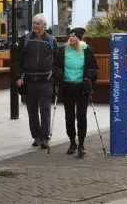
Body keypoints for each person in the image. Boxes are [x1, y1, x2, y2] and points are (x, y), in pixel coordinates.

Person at [15, 13, 60, 149]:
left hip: (46, 81)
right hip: (29, 81)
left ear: (44, 25)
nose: (35, 25)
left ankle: (45, 137)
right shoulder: (25, 39)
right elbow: (18, 60)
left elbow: (57, 61)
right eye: (34, 23)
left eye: (38, 23)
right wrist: (18, 77)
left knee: (45, 109)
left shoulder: (52, 40)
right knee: (32, 111)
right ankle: (36, 136)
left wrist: (55, 76)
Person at [58, 27, 98, 157]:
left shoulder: (87, 51)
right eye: (71, 36)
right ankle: (72, 142)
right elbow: (56, 66)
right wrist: (57, 73)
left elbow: (93, 69)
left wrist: (89, 78)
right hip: (67, 86)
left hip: (82, 88)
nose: (71, 38)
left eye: (74, 36)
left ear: (80, 38)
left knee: (81, 115)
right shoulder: (63, 50)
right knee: (69, 115)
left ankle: (81, 143)